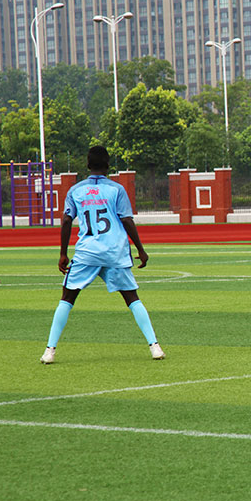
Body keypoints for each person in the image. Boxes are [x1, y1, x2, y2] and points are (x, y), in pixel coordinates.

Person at [41, 146, 162, 364]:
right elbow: (126, 220)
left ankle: (49, 350)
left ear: (87, 165)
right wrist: (141, 249)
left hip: (87, 253)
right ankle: (155, 346)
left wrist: (63, 254)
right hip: (114, 252)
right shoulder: (117, 189)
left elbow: (67, 220)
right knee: (132, 298)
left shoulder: (76, 190)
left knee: (67, 298)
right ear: (108, 165)